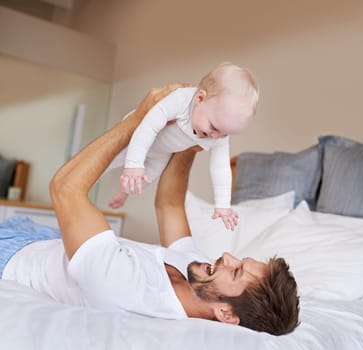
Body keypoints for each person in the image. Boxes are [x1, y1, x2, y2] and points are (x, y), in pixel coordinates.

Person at [0, 85, 299, 335]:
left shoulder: (131, 290)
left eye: (236, 271)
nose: (227, 257)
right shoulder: (197, 275)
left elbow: (65, 188)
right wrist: (192, 135)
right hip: (44, 237)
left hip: (12, 252)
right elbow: (169, 205)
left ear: (226, 314)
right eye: (240, 260)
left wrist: (138, 120)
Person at [106, 62, 259, 231]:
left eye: (225, 134)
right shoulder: (180, 99)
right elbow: (148, 126)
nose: (216, 137)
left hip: (162, 152)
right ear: (200, 99)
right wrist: (134, 164)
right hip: (137, 136)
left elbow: (221, 166)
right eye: (214, 128)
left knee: (145, 179)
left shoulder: (218, 133)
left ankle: (123, 192)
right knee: (106, 161)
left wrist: (223, 205)